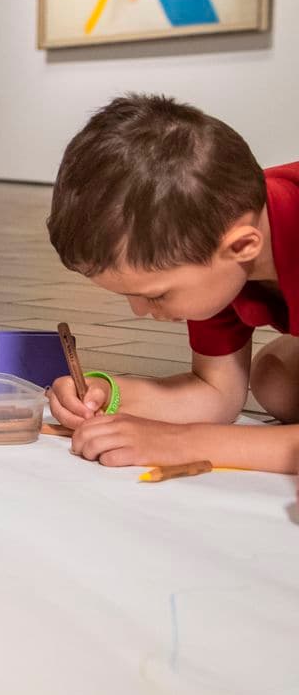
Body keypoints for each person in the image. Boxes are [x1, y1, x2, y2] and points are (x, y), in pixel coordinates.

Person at [45, 94, 298, 473]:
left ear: (243, 247)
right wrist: (110, 395)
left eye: (157, 295)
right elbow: (218, 394)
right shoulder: (213, 233)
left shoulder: (216, 250)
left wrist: (184, 443)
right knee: (277, 381)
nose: (140, 311)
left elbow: (202, 431)